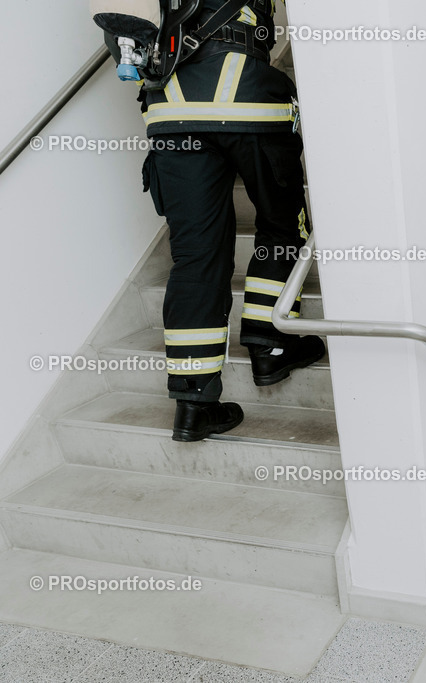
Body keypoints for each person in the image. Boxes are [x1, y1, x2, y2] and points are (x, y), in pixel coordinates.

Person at [117, 0, 325, 441]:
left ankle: (193, 402)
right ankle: (271, 344)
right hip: (252, 104)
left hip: (171, 113)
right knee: (282, 228)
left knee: (195, 255)